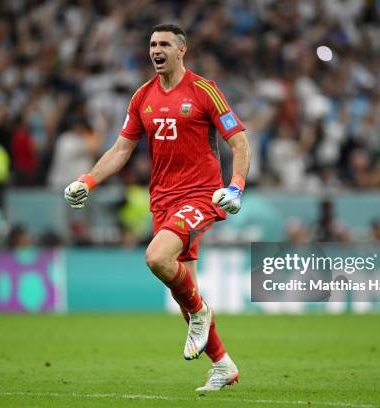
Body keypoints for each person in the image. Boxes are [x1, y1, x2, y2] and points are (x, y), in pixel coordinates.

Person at [64, 23, 251, 392]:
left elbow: (240, 143)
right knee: (183, 289)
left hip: (200, 195)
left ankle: (201, 313)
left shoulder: (204, 91)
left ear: (182, 50)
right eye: (151, 44)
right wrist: (87, 180)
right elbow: (121, 150)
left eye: (164, 43)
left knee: (156, 258)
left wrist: (236, 186)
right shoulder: (141, 98)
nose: (156, 49)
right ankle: (223, 365)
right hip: (163, 201)